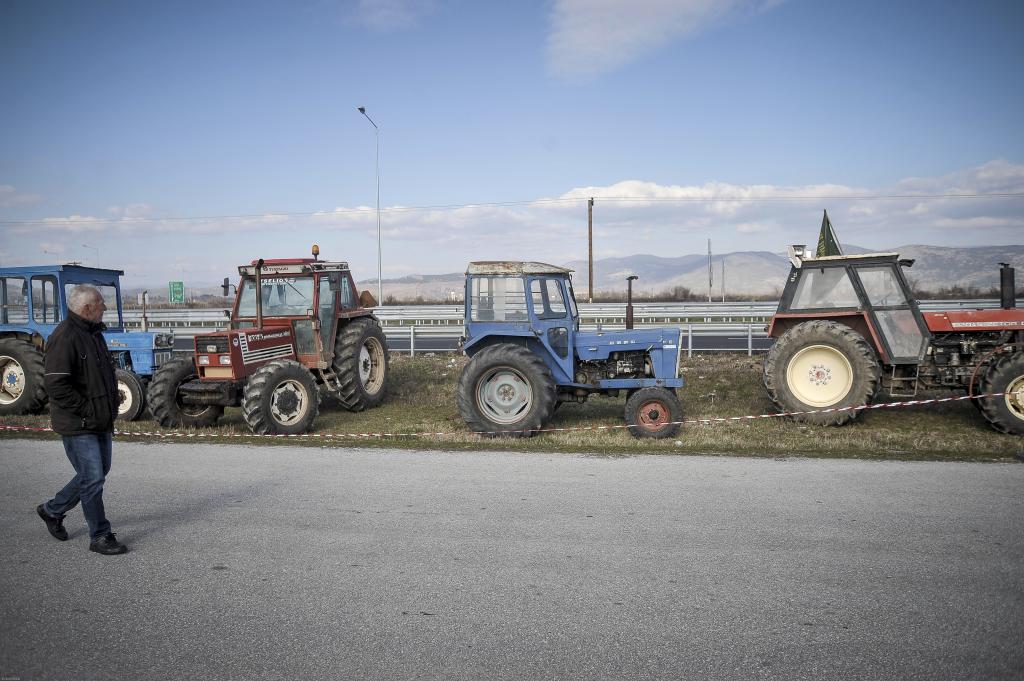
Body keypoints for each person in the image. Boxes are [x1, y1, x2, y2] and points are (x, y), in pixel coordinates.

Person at [36, 284, 127, 555]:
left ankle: (52, 510)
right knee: (93, 477)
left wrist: (112, 398)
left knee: (96, 474)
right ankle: (100, 535)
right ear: (88, 308)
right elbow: (57, 386)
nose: (106, 308)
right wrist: (88, 409)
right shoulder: (65, 337)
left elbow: (98, 375)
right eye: (102, 304)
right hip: (79, 423)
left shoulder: (94, 334)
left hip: (99, 419)